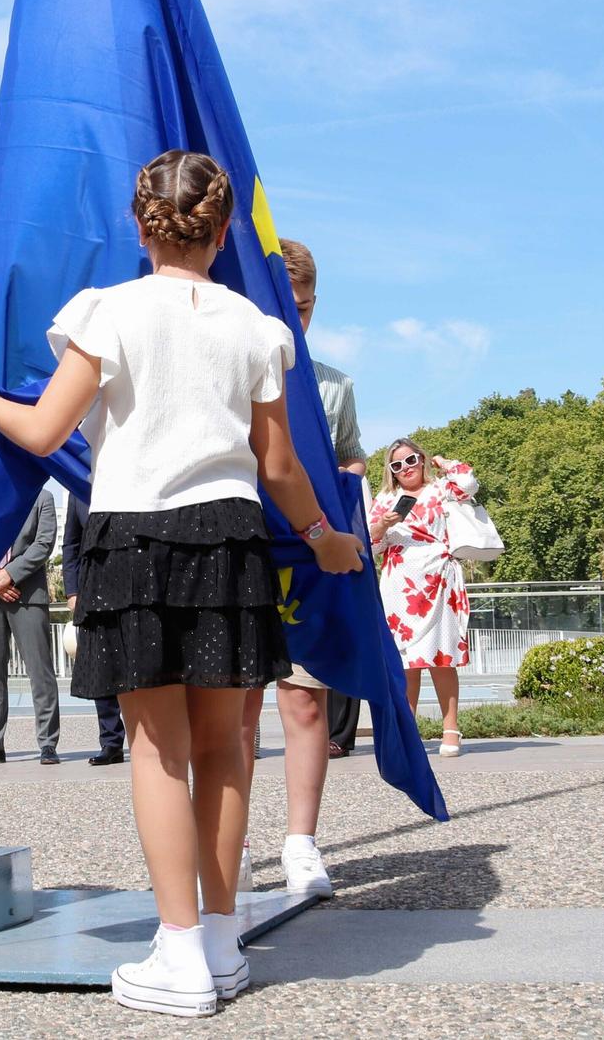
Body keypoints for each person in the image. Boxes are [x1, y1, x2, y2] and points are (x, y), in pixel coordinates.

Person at [0, 150, 364, 1017]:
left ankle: (178, 955)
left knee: (158, 749)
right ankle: (223, 939)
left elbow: (48, 430)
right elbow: (277, 463)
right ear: (225, 228)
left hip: (137, 537)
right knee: (224, 749)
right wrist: (324, 536)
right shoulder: (258, 326)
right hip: (232, 535)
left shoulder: (108, 311)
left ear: (139, 225)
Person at [242, 236, 366, 897]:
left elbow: (350, 464)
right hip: (242, 549)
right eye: (286, 306)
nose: (298, 319)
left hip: (312, 559)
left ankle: (301, 842)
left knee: (306, 705)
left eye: (308, 307)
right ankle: (229, 838)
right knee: (232, 708)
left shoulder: (334, 387)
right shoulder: (236, 370)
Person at [369, 438, 478, 757]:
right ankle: (407, 731)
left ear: (422, 459)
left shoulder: (440, 489)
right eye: (397, 465)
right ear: (391, 471)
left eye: (412, 460)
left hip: (438, 577)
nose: (406, 468)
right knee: (404, 662)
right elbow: (371, 545)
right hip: (399, 582)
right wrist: (383, 524)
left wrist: (443, 461)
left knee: (442, 658)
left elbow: (468, 483)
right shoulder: (387, 498)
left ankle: (451, 729)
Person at [0, 487, 61, 765]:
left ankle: (47, 743)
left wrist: (9, 575)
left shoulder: (42, 498)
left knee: (40, 672)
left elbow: (43, 544)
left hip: (28, 595)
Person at [62, 496, 124, 766]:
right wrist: (73, 591)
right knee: (102, 666)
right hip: (93, 589)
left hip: (134, 582)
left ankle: (152, 739)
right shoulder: (78, 490)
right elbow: (70, 544)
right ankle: (111, 742)